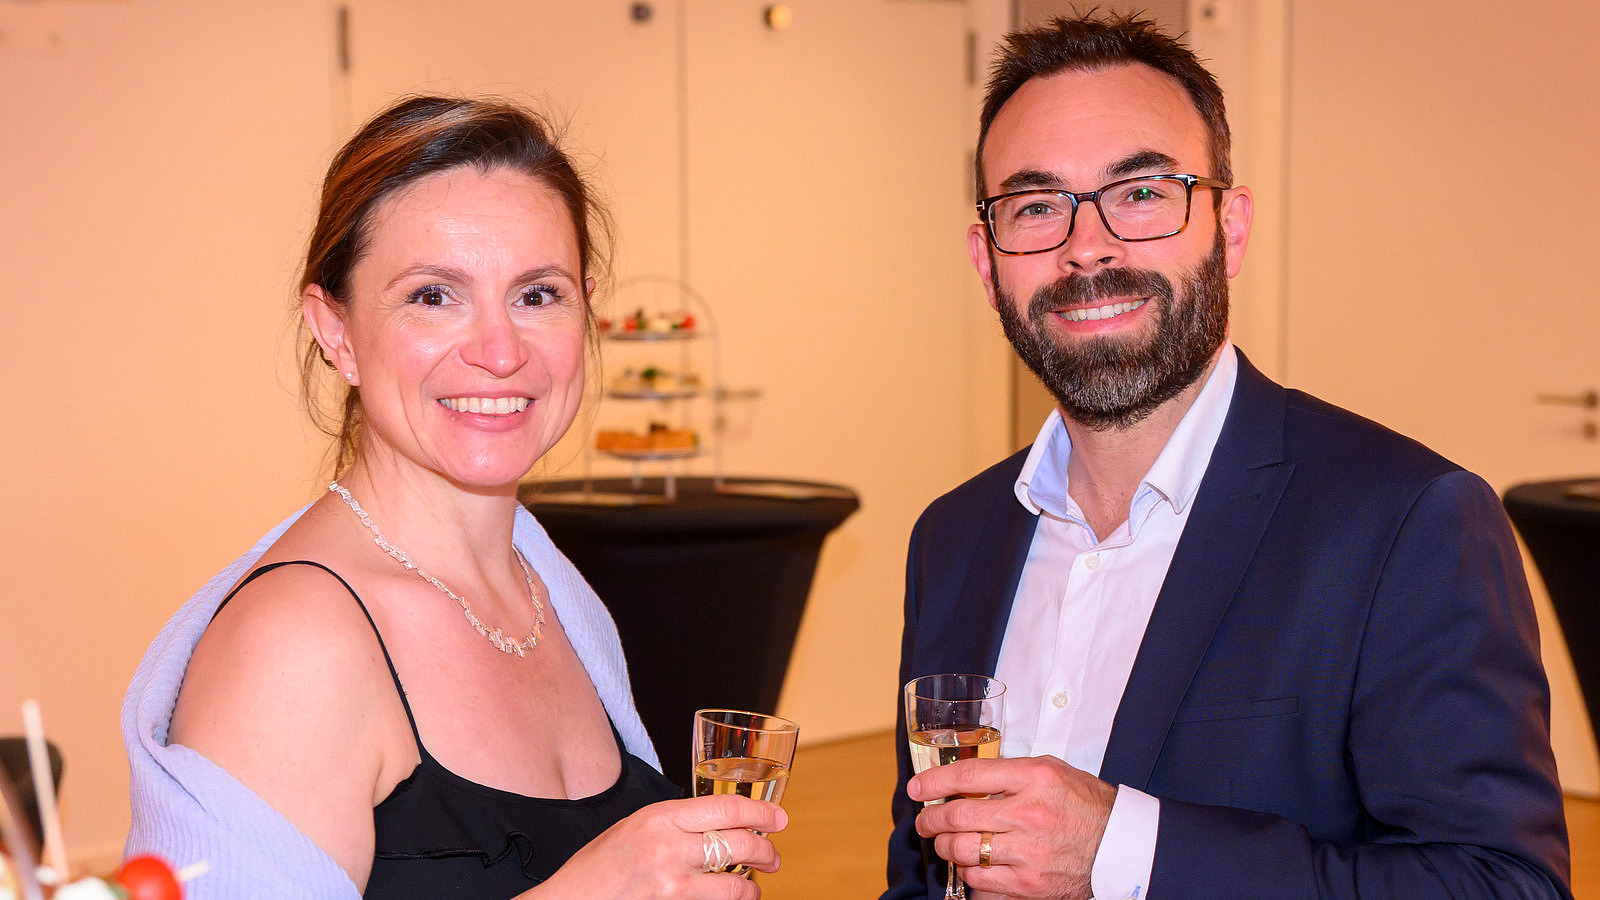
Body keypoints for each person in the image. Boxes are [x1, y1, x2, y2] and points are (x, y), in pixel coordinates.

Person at [884, 13, 1570, 900]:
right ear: (987, 263)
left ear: (1231, 228)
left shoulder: (1407, 521)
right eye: (1037, 206)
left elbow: (1501, 884)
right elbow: (921, 873)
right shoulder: (955, 536)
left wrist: (1122, 852)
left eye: (1140, 193)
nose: (1087, 247)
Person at [123, 95, 784, 899]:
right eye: (434, 296)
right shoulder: (296, 651)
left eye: (537, 294)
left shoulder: (551, 591)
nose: (500, 352)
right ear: (334, 331)